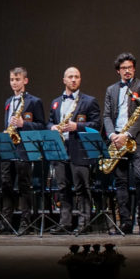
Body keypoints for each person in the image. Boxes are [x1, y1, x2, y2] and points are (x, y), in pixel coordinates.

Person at [102, 52, 140, 234]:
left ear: (134, 69)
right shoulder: (111, 90)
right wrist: (112, 135)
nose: (127, 71)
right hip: (117, 141)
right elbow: (106, 115)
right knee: (121, 182)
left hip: (137, 139)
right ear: (118, 71)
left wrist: (128, 134)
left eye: (130, 67)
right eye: (123, 68)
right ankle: (125, 222)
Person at [48, 67, 100, 233]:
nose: (73, 79)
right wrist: (52, 127)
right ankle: (65, 223)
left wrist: (77, 126)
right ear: (64, 80)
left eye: (76, 77)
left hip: (79, 149)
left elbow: (96, 125)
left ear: (80, 79)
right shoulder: (56, 102)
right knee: (63, 188)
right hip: (60, 148)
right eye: (70, 77)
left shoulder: (89, 101)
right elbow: (49, 121)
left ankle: (84, 223)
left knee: (82, 188)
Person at [0, 67, 47, 234]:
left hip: (24, 148)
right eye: (12, 79)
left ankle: (26, 223)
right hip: (8, 147)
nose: (14, 83)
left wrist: (23, 124)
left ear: (25, 81)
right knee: (6, 185)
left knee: (24, 186)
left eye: (17, 79)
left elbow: (41, 125)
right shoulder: (8, 101)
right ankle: (6, 224)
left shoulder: (34, 101)